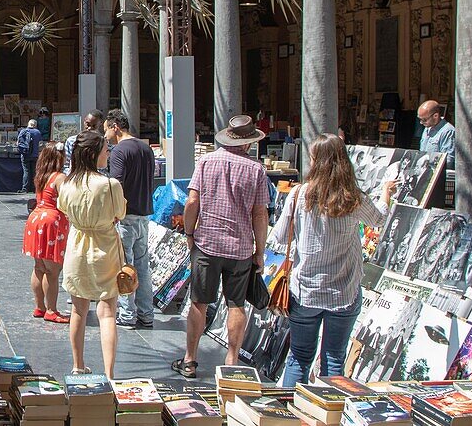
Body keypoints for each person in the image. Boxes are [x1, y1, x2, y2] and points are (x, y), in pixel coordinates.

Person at [270, 134, 394, 386]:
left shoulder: (299, 194)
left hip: (306, 290)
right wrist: (385, 193)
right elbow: (378, 219)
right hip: (344, 291)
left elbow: (280, 237)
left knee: (299, 357)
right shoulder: (352, 197)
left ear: (316, 161)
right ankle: (328, 414)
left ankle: (286, 413)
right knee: (334, 357)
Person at [175, 115, 270, 379]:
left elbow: (192, 201)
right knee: (236, 304)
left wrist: (190, 232)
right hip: (240, 247)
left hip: (207, 243)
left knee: (198, 303)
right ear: (249, 144)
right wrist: (259, 251)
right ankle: (231, 361)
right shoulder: (257, 170)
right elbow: (260, 214)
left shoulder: (206, 161)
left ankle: (190, 359)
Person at [57, 130, 125, 377]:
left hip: (77, 247)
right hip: (105, 247)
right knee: (107, 312)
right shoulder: (110, 184)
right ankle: (109, 373)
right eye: (106, 149)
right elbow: (120, 212)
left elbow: (63, 209)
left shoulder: (67, 184)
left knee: (78, 310)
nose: (109, 152)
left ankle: (77, 365)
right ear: (94, 154)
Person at [104, 109, 156, 330]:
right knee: (142, 266)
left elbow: (116, 185)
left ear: (115, 126)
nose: (105, 134)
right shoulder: (146, 148)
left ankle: (127, 314)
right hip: (143, 214)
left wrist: (112, 213)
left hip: (125, 216)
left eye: (106, 129)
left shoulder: (119, 151)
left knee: (124, 266)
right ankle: (146, 313)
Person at [22, 142, 70, 324]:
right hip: (51, 222)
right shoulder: (60, 178)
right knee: (52, 270)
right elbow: (66, 203)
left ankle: (40, 307)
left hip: (35, 220)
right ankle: (52, 310)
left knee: (39, 267)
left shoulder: (41, 177)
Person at [417, 99, 455, 169]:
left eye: (424, 120)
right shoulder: (427, 128)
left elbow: (448, 161)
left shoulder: (448, 131)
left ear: (436, 116)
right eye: (420, 119)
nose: (421, 123)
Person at [17, 119, 43, 194]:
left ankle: (25, 188)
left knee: (26, 171)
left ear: (28, 124)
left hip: (25, 155)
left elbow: (18, 143)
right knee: (35, 172)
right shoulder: (37, 132)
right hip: (35, 155)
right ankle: (35, 188)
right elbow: (40, 144)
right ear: (35, 125)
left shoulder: (23, 131)